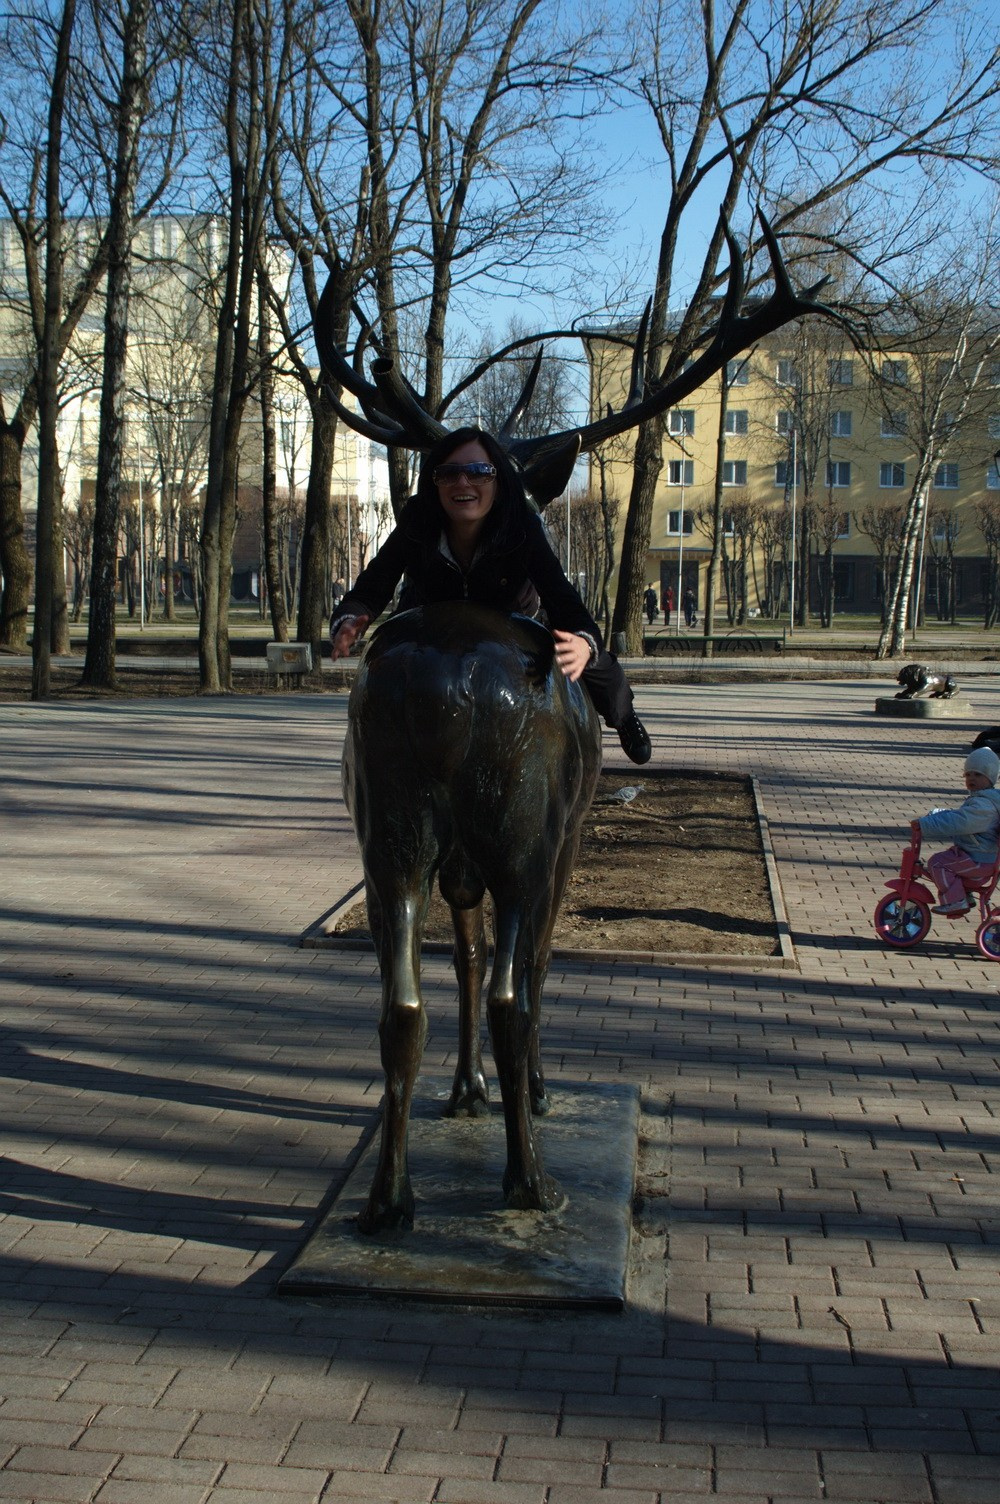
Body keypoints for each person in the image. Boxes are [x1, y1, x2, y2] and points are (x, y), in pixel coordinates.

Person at [329, 426, 651, 764]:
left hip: (512, 623)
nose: (463, 483)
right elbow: (373, 584)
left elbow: (562, 596)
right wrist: (350, 618)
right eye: (449, 473)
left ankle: (623, 715)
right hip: (434, 625)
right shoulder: (418, 522)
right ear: (435, 482)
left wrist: (584, 642)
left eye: (479, 472)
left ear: (497, 483)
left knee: (587, 658)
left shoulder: (520, 526)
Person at [917, 747, 1000, 914]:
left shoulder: (984, 806)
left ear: (990, 778)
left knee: (938, 863)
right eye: (968, 774)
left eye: (977, 775)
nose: (971, 779)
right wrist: (935, 815)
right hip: (978, 855)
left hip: (979, 862)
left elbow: (960, 821)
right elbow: (959, 816)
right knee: (949, 857)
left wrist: (926, 825)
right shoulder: (983, 800)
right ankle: (964, 897)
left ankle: (957, 901)